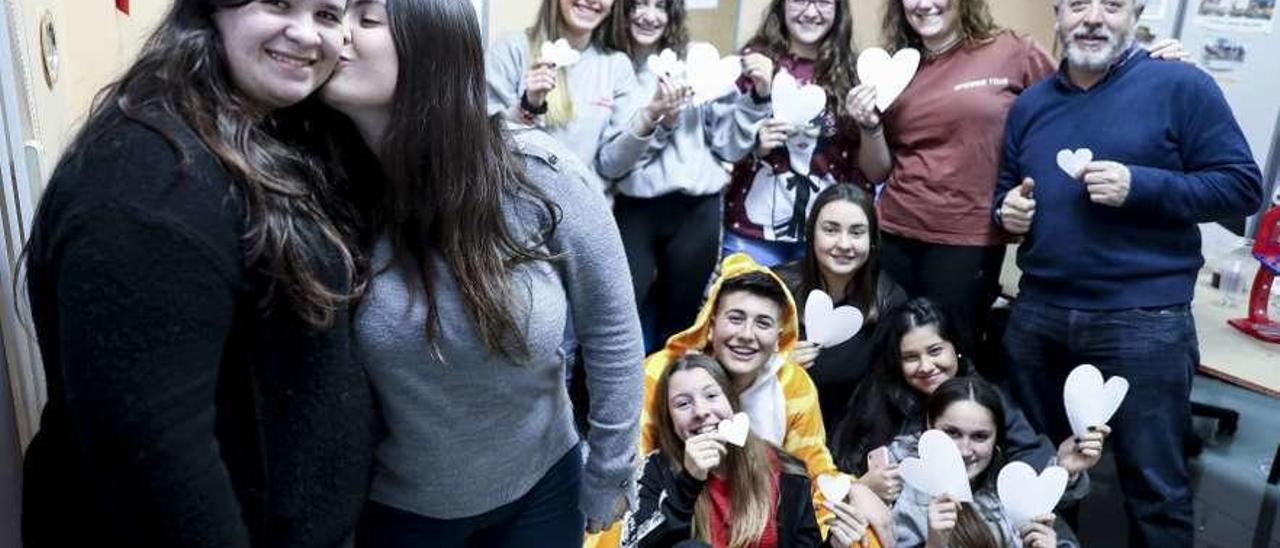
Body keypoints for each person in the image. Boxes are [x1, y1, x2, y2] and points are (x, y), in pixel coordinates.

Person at [19, 1, 377, 546]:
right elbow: (154, 462)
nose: (306, 34)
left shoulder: (265, 128)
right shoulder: (148, 183)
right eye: (279, 3)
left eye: (327, 14)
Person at [321, 0, 644, 545]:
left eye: (366, 20)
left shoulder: (538, 172)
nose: (335, 35)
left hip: (543, 489)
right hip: (398, 512)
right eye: (335, 16)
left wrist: (609, 470)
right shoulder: (321, 193)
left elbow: (611, 326)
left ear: (433, 48)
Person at [991, 1, 1263, 545]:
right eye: (1077, 4)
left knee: (1154, 490)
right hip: (1039, 314)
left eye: (1111, 3)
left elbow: (1241, 186)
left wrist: (1141, 186)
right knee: (1041, 476)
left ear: (1136, 12)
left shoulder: (1181, 86)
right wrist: (1008, 214)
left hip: (1143, 322)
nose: (1093, 18)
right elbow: (1007, 195)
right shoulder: (1031, 104)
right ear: (1057, 13)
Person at [867, 0, 1189, 356]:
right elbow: (881, 164)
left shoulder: (1013, 52)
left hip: (967, 238)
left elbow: (1081, 93)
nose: (925, 4)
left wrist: (1143, 64)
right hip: (894, 229)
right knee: (889, 354)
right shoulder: (897, 65)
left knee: (950, 357)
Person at [598, 0, 773, 350]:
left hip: (697, 210)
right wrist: (661, 121)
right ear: (621, 10)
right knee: (616, 320)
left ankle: (669, 402)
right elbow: (611, 164)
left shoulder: (697, 61)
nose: (649, 15)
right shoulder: (612, 68)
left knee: (681, 325)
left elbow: (729, 147)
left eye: (661, 6)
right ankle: (601, 404)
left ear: (673, 14)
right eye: (639, 5)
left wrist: (758, 97)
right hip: (637, 209)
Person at [832, 299, 1106, 506]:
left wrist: (1065, 471)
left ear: (956, 348)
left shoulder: (987, 399)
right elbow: (833, 475)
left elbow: (1032, 470)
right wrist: (859, 487)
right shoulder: (877, 400)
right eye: (911, 357)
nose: (926, 366)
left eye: (935, 351)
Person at [621, 354, 871, 547]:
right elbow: (635, 543)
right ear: (670, 421)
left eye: (711, 395)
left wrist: (835, 544)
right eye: (683, 404)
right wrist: (688, 481)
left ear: (732, 403)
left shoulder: (785, 470)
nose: (700, 411)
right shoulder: (654, 470)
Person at [721, 0, 892, 266]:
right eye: (800, 0)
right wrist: (755, 145)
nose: (811, 12)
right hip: (751, 232)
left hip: (828, 239)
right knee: (747, 304)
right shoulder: (755, 64)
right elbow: (719, 151)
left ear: (838, 10)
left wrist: (869, 125)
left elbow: (875, 172)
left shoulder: (853, 72)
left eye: (823, 2)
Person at [892, 377, 1096, 548]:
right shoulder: (893, 479)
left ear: (997, 438)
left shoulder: (1008, 489)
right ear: (929, 424)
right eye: (952, 433)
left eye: (980, 436)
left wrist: (1065, 471)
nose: (964, 451)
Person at [774, 183, 907, 430]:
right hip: (775, 421)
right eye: (831, 230)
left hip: (845, 433)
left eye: (857, 232)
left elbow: (881, 394)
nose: (844, 244)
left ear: (872, 240)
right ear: (811, 233)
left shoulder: (889, 300)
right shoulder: (775, 288)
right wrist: (775, 366)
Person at [486, 0, 637, 189]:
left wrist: (649, 120)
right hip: (519, 205)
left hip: (586, 208)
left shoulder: (617, 66)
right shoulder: (511, 49)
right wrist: (528, 106)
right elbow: (483, 140)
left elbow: (611, 166)